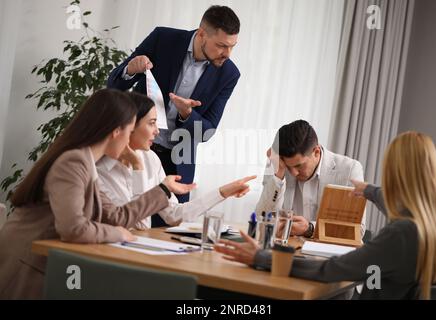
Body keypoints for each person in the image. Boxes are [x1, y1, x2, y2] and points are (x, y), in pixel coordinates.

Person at [0, 89, 195, 299]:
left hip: (49, 264)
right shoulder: (73, 162)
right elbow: (73, 228)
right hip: (26, 266)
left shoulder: (85, 162)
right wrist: (118, 233)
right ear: (115, 131)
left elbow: (115, 217)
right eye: (130, 132)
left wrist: (163, 189)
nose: (130, 142)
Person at [216, 132, 436, 299]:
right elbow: (397, 207)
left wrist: (263, 258)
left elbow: (330, 270)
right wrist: (370, 191)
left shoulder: (401, 234)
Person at [107, 5, 241, 210]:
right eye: (222, 45)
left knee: (168, 227)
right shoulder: (163, 39)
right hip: (135, 148)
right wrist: (131, 69)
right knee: (125, 213)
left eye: (232, 46)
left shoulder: (229, 74)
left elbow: (207, 131)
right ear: (202, 34)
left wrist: (187, 113)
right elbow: (114, 86)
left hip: (177, 163)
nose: (227, 53)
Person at [97, 92, 256, 229]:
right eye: (152, 123)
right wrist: (138, 167)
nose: (157, 131)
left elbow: (174, 215)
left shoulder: (150, 159)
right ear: (129, 125)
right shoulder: (98, 169)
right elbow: (139, 226)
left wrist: (223, 191)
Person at [256, 120, 366, 238]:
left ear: (316, 152)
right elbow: (262, 219)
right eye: (289, 166)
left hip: (331, 253)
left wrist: (310, 228)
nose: (293, 173)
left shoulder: (350, 169)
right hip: (287, 249)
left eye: (299, 165)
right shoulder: (278, 165)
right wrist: (278, 176)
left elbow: (357, 230)